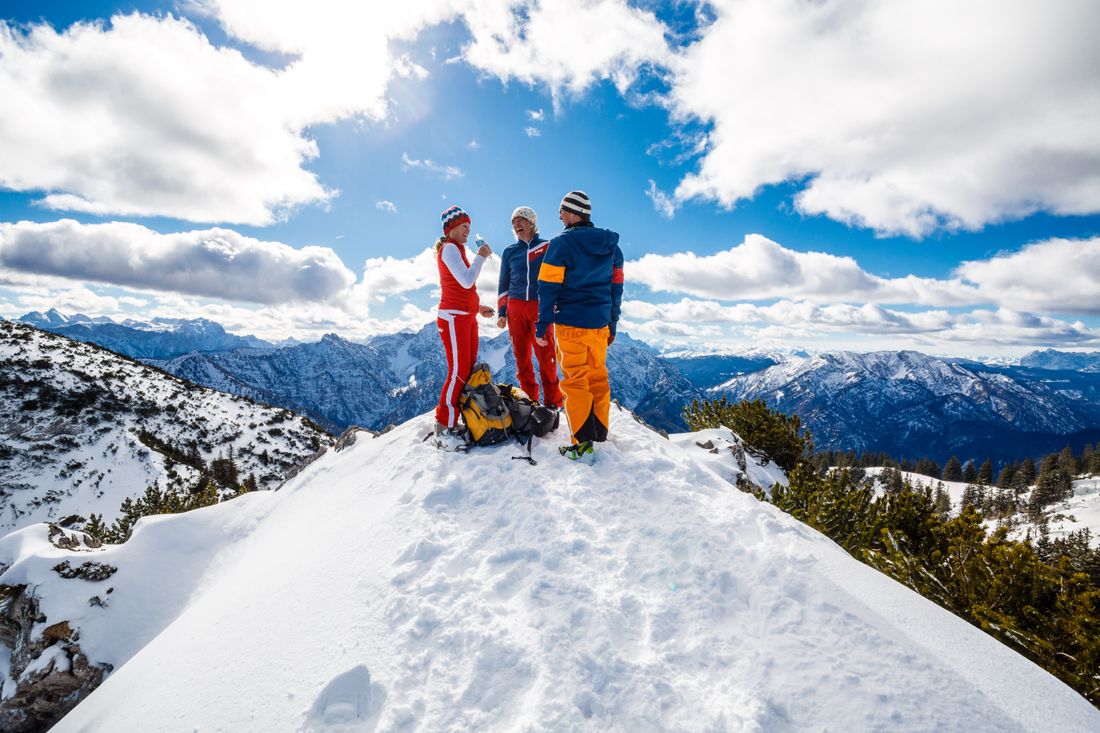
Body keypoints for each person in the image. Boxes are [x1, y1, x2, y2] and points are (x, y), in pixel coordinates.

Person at [535, 190, 624, 461]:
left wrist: (542, 326)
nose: (559, 216)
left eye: (562, 210)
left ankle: (582, 444)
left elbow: (547, 288)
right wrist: (612, 323)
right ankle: (599, 432)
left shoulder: (560, 245)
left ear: (574, 213)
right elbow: (616, 288)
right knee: (598, 376)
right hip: (599, 324)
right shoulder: (612, 247)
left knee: (575, 381)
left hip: (570, 322)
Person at [433, 205, 494, 448]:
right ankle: (443, 426)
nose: (469, 230)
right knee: (458, 371)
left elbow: (461, 287)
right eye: (464, 226)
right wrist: (481, 256)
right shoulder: (449, 248)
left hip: (465, 316)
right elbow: (467, 280)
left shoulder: (456, 250)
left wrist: (477, 308)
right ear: (452, 228)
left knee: (466, 370)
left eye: (469, 225)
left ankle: (454, 420)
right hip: (453, 318)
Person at [496, 206, 564, 409]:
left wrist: (557, 304)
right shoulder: (509, 252)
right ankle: (529, 402)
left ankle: (553, 402)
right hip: (515, 308)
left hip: (540, 307)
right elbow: (503, 283)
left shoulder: (546, 246)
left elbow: (557, 278)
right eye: (513, 222)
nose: (516, 224)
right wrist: (501, 312)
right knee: (521, 358)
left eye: (521, 220)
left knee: (546, 356)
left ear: (532, 223)